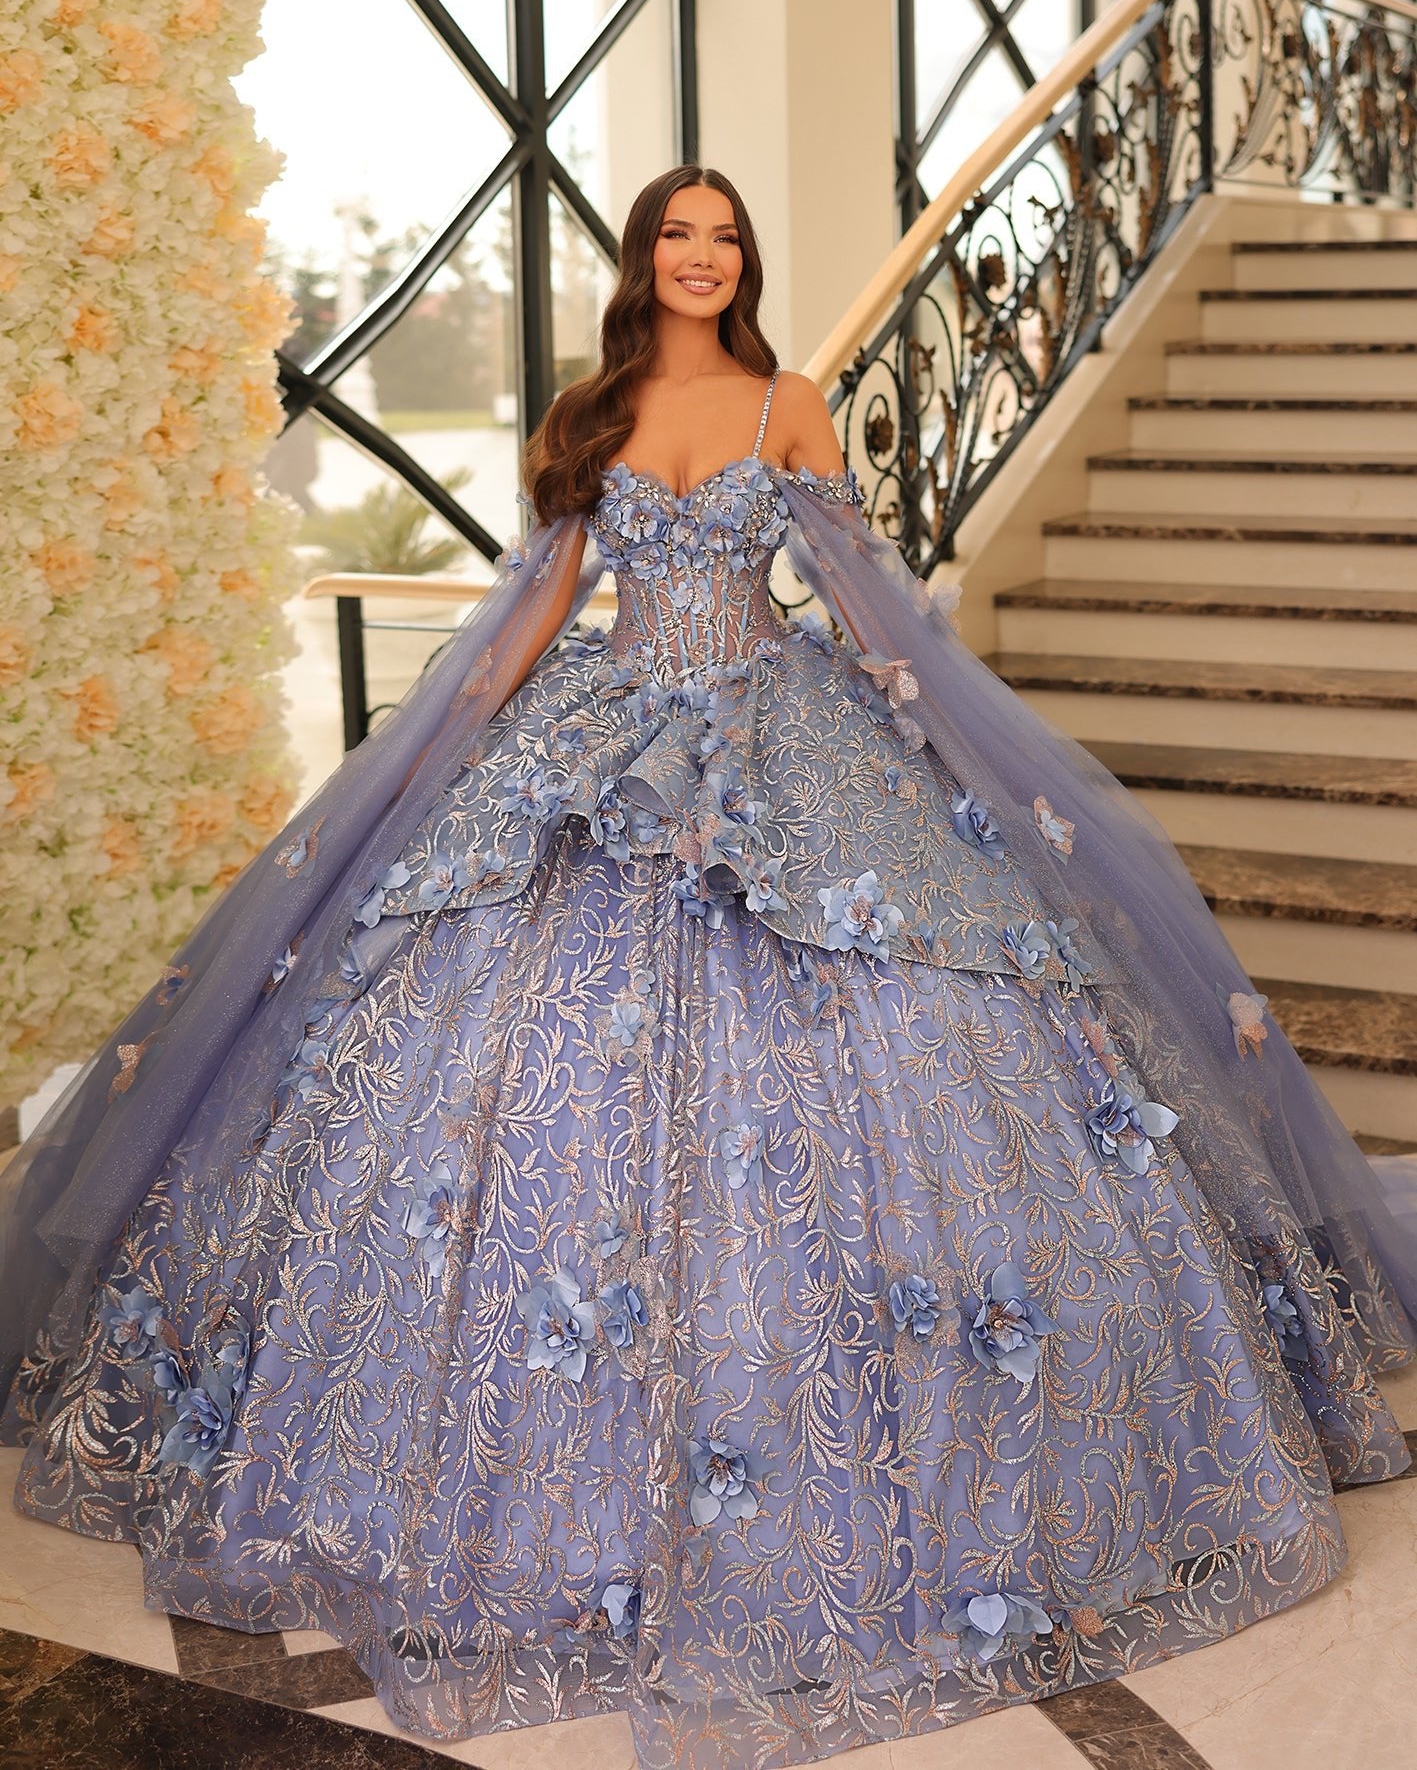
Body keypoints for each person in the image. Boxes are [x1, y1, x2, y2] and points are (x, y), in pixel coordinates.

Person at [2, 163, 1415, 1770]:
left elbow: (877, 611)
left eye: (723, 234)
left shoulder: (786, 405)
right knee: (481, 1077)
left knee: (917, 1063)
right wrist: (436, 762)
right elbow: (536, 607)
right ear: (640, 257)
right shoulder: (590, 411)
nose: (698, 255)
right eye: (675, 233)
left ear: (744, 258)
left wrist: (938, 745)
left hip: (783, 739)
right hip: (598, 746)